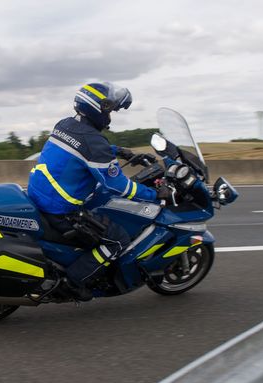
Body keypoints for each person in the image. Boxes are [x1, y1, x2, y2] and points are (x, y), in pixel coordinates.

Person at [27, 82, 172, 300]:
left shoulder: (65, 125)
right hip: (61, 210)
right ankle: (73, 283)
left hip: (41, 196)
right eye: (109, 111)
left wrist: (120, 152)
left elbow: (86, 149)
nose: (110, 116)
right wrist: (155, 195)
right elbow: (117, 185)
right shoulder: (92, 142)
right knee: (117, 240)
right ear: (97, 109)